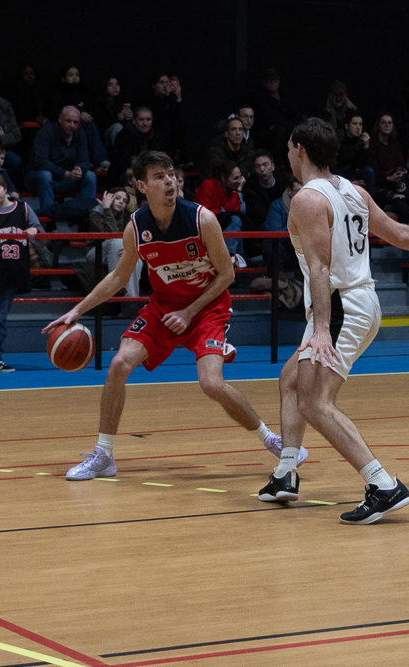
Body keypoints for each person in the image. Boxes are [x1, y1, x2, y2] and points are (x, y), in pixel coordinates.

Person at [255, 118, 409, 524]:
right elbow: (394, 232)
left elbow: (319, 268)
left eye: (287, 147)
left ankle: (382, 484)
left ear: (300, 149)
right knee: (291, 380)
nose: (286, 153)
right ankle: (285, 474)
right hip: (356, 301)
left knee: (315, 403)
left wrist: (320, 329)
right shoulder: (353, 190)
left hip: (339, 307)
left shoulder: (306, 199)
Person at [42, 151, 303, 479]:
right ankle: (104, 456)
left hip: (207, 307)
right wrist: (75, 311)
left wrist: (190, 311)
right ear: (141, 185)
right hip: (163, 306)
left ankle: (272, 439)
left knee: (211, 383)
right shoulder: (136, 227)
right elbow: (119, 278)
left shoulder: (202, 219)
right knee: (120, 364)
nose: (170, 181)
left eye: (171, 175)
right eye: (159, 177)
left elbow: (227, 275)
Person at [0, 173, 43, 372]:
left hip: (13, 271)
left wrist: (34, 230)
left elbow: (38, 227)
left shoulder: (24, 208)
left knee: (1, 318)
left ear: (5, 188)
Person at [26, 106, 98, 210]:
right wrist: (66, 173)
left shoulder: (80, 134)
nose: (71, 125)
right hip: (38, 178)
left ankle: (87, 219)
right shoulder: (46, 132)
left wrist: (79, 168)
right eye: (68, 121)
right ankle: (49, 216)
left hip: (66, 179)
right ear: (60, 119)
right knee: (45, 175)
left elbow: (85, 160)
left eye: (75, 122)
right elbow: (41, 162)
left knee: (90, 176)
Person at [79, 188, 143, 297]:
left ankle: (131, 303)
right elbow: (111, 234)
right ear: (109, 198)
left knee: (135, 260)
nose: (121, 202)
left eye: (124, 200)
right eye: (117, 198)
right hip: (96, 252)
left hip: (118, 251)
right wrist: (107, 209)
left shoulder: (127, 216)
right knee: (117, 241)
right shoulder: (97, 213)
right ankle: (116, 284)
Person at [49, 65, 108, 169]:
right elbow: (56, 113)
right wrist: (79, 115)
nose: (75, 78)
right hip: (64, 126)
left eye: (77, 75)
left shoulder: (84, 91)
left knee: (90, 125)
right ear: (63, 78)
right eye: (71, 75)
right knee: (77, 126)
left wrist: (88, 116)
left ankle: (101, 160)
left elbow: (92, 109)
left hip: (85, 123)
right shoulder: (58, 93)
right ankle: (84, 160)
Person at [195, 160, 247, 260]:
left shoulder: (231, 188)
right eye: (235, 178)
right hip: (205, 224)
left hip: (222, 222)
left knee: (238, 216)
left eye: (240, 177)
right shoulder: (208, 185)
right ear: (223, 178)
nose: (240, 181)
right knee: (235, 220)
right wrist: (221, 211)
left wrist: (238, 190)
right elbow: (202, 211)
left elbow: (232, 208)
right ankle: (226, 257)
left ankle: (238, 259)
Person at [252, 69, 300, 165]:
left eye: (275, 79)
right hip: (269, 134)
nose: (272, 82)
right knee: (280, 131)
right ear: (264, 82)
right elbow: (272, 117)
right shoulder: (260, 98)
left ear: (279, 80)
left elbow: (293, 113)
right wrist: (290, 125)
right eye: (269, 80)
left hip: (289, 129)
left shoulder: (285, 95)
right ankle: (278, 166)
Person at [110, 106, 167, 181]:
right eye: (141, 120)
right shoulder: (123, 136)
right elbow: (122, 164)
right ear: (134, 120)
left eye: (148, 120)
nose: (145, 123)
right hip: (129, 177)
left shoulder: (158, 137)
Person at [262, 176, 302, 272]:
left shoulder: (312, 205)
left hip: (302, 245)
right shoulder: (277, 206)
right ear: (289, 191)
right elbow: (275, 233)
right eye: (299, 191)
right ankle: (277, 283)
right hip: (285, 246)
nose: (303, 195)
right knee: (273, 247)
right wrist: (295, 226)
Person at [244, 150, 289, 229]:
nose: (262, 169)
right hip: (261, 226)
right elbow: (256, 213)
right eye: (257, 166)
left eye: (265, 165)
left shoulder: (284, 183)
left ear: (273, 166)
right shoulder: (249, 187)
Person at [368, 113, 407, 205]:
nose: (387, 125)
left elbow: (400, 163)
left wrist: (400, 171)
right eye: (383, 123)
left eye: (389, 123)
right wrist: (389, 178)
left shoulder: (396, 145)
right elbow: (373, 170)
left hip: (395, 180)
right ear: (378, 125)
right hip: (379, 183)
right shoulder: (373, 144)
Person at [144, 73, 183, 157]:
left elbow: (176, 116)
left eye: (167, 83)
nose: (165, 86)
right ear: (154, 85)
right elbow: (159, 117)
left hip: (168, 133)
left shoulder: (169, 98)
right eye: (161, 83)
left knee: (178, 125)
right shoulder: (149, 99)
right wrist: (167, 96)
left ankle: (179, 157)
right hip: (154, 130)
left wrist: (178, 97)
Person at [335, 113, 374, 193]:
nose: (358, 127)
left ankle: (368, 203)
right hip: (338, 176)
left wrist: (366, 146)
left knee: (368, 171)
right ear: (347, 126)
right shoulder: (338, 140)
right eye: (355, 124)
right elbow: (334, 167)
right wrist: (348, 182)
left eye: (360, 124)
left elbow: (361, 165)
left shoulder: (360, 141)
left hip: (351, 174)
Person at [92, 75, 131, 149]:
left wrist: (129, 117)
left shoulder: (122, 101)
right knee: (117, 126)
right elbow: (99, 124)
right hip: (103, 138)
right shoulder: (98, 102)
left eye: (117, 84)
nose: (115, 87)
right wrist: (117, 118)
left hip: (120, 137)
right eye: (110, 85)